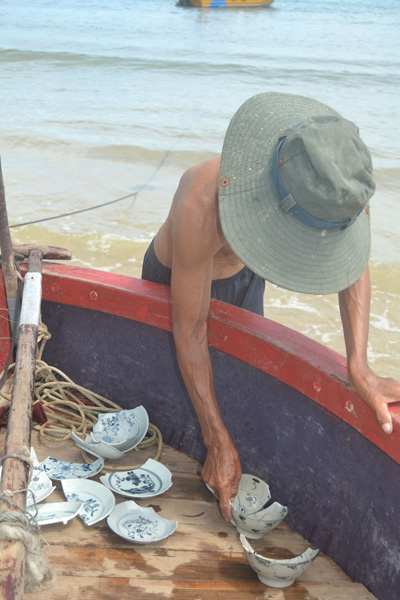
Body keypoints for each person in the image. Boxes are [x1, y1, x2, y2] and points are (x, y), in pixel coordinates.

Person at [142, 92, 400, 521]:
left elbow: (352, 262)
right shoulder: (204, 201)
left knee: (239, 388)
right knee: (176, 405)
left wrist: (359, 364)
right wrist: (216, 439)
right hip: (181, 274)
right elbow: (191, 331)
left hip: (246, 272)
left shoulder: (340, 185)